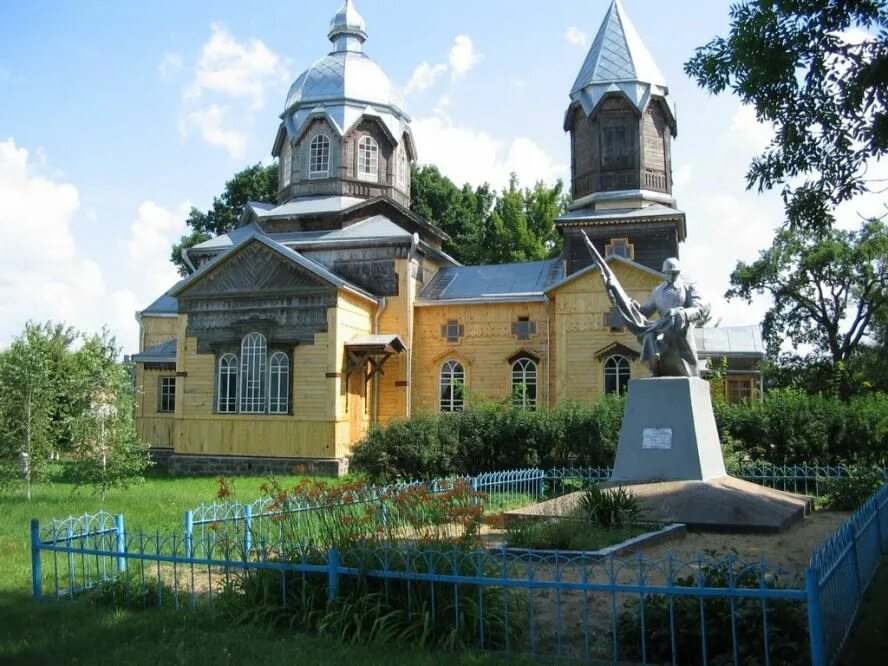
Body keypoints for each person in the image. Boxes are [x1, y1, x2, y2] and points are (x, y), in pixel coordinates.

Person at [633, 258, 708, 377]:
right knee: (648, 336)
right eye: (669, 273)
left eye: (675, 273)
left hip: (681, 330)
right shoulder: (657, 291)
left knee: (686, 369)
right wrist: (632, 306)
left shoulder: (687, 287)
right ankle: (655, 369)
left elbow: (699, 308)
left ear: (679, 272)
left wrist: (683, 313)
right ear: (664, 273)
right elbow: (645, 311)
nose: (672, 276)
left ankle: (686, 370)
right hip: (662, 328)